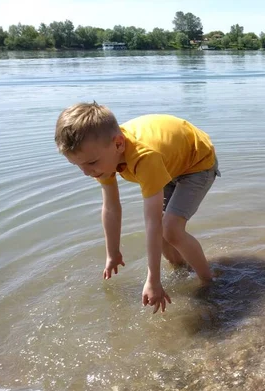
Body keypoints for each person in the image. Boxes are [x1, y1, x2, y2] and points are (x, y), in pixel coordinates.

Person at [55, 102, 220, 314]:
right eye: (78, 165)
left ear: (119, 144)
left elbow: (152, 223)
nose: (86, 172)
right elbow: (111, 208)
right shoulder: (102, 159)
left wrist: (153, 280)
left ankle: (209, 281)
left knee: (170, 229)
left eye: (90, 163)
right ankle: (181, 269)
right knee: (162, 235)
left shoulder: (144, 157)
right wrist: (112, 252)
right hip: (170, 161)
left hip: (197, 161)